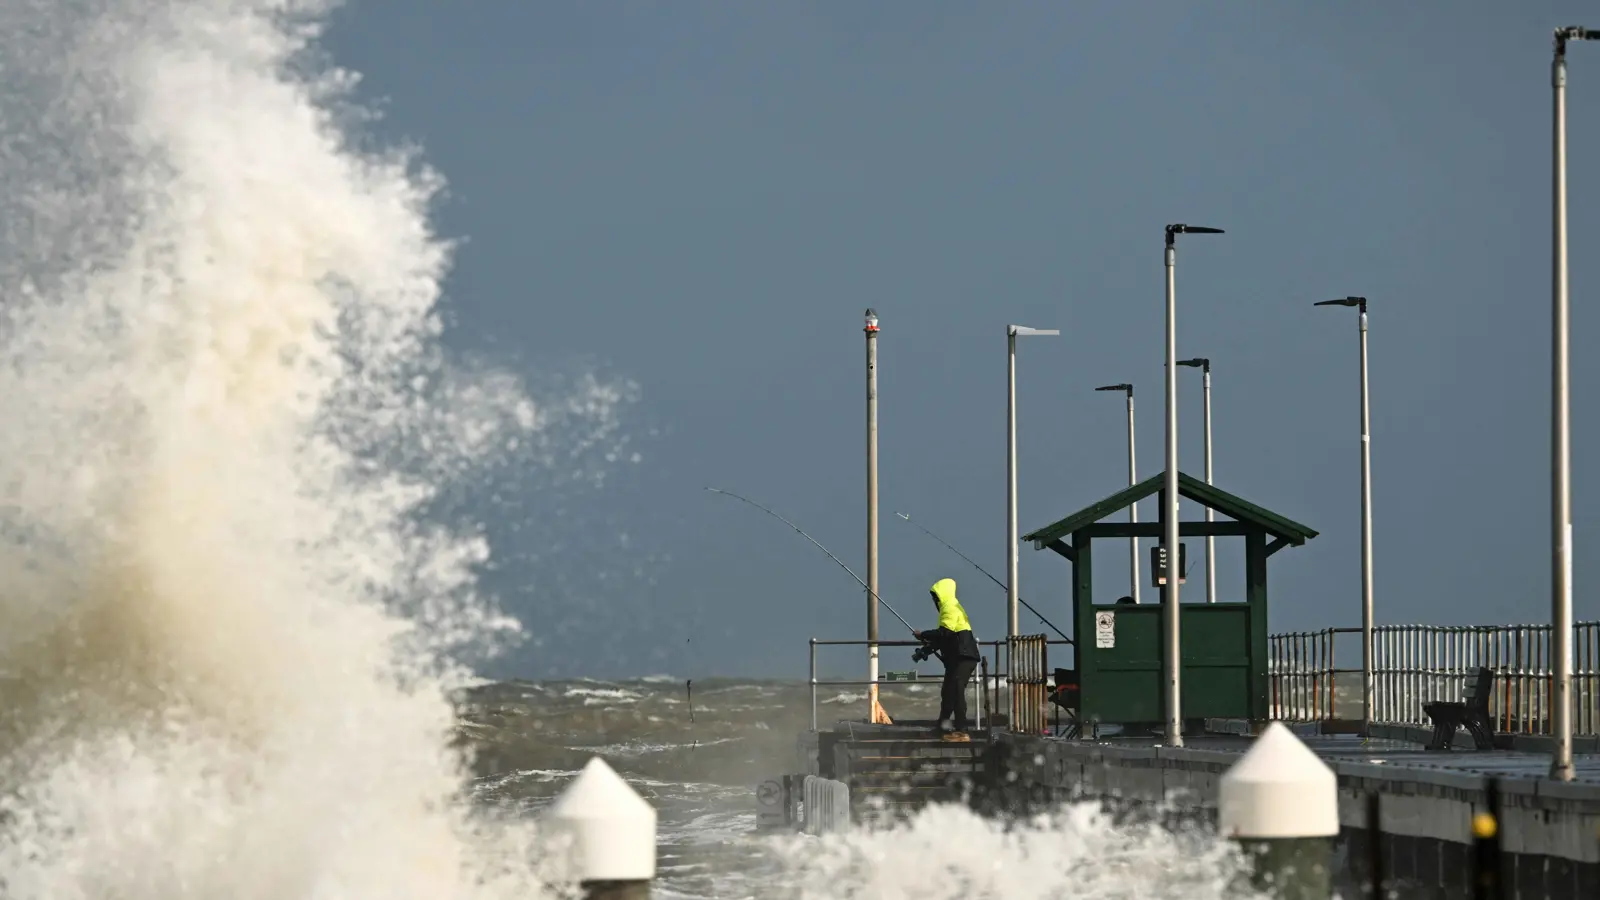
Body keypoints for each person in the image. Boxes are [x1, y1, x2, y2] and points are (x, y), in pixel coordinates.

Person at [913, 577, 982, 742]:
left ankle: (962, 731)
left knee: (957, 691)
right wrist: (925, 650)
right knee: (948, 693)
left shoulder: (950, 608)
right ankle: (941, 728)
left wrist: (923, 634)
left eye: (936, 597)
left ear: (942, 596)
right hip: (956, 658)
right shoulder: (947, 610)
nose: (934, 601)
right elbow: (943, 639)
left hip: (964, 657)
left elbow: (945, 633)